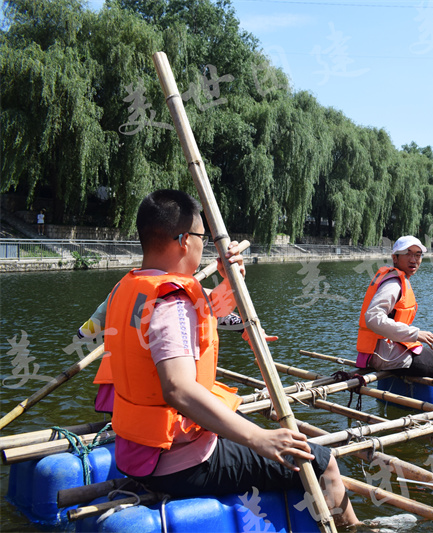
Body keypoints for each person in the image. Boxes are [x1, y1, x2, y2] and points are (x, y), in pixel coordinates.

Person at [104, 189, 358, 527]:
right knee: (323, 464)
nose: (204, 246)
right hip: (178, 462)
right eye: (201, 237)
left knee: (252, 432)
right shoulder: (171, 302)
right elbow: (178, 388)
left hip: (137, 452)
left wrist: (230, 279)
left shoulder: (132, 287)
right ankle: (356, 528)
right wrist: (260, 439)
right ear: (184, 241)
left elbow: (211, 310)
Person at [355, 235, 433, 397]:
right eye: (408, 254)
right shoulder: (393, 284)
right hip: (387, 357)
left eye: (418, 255)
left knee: (428, 350)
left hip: (378, 353)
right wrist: (416, 334)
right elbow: (373, 318)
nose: (413, 259)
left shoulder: (395, 278)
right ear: (395, 258)